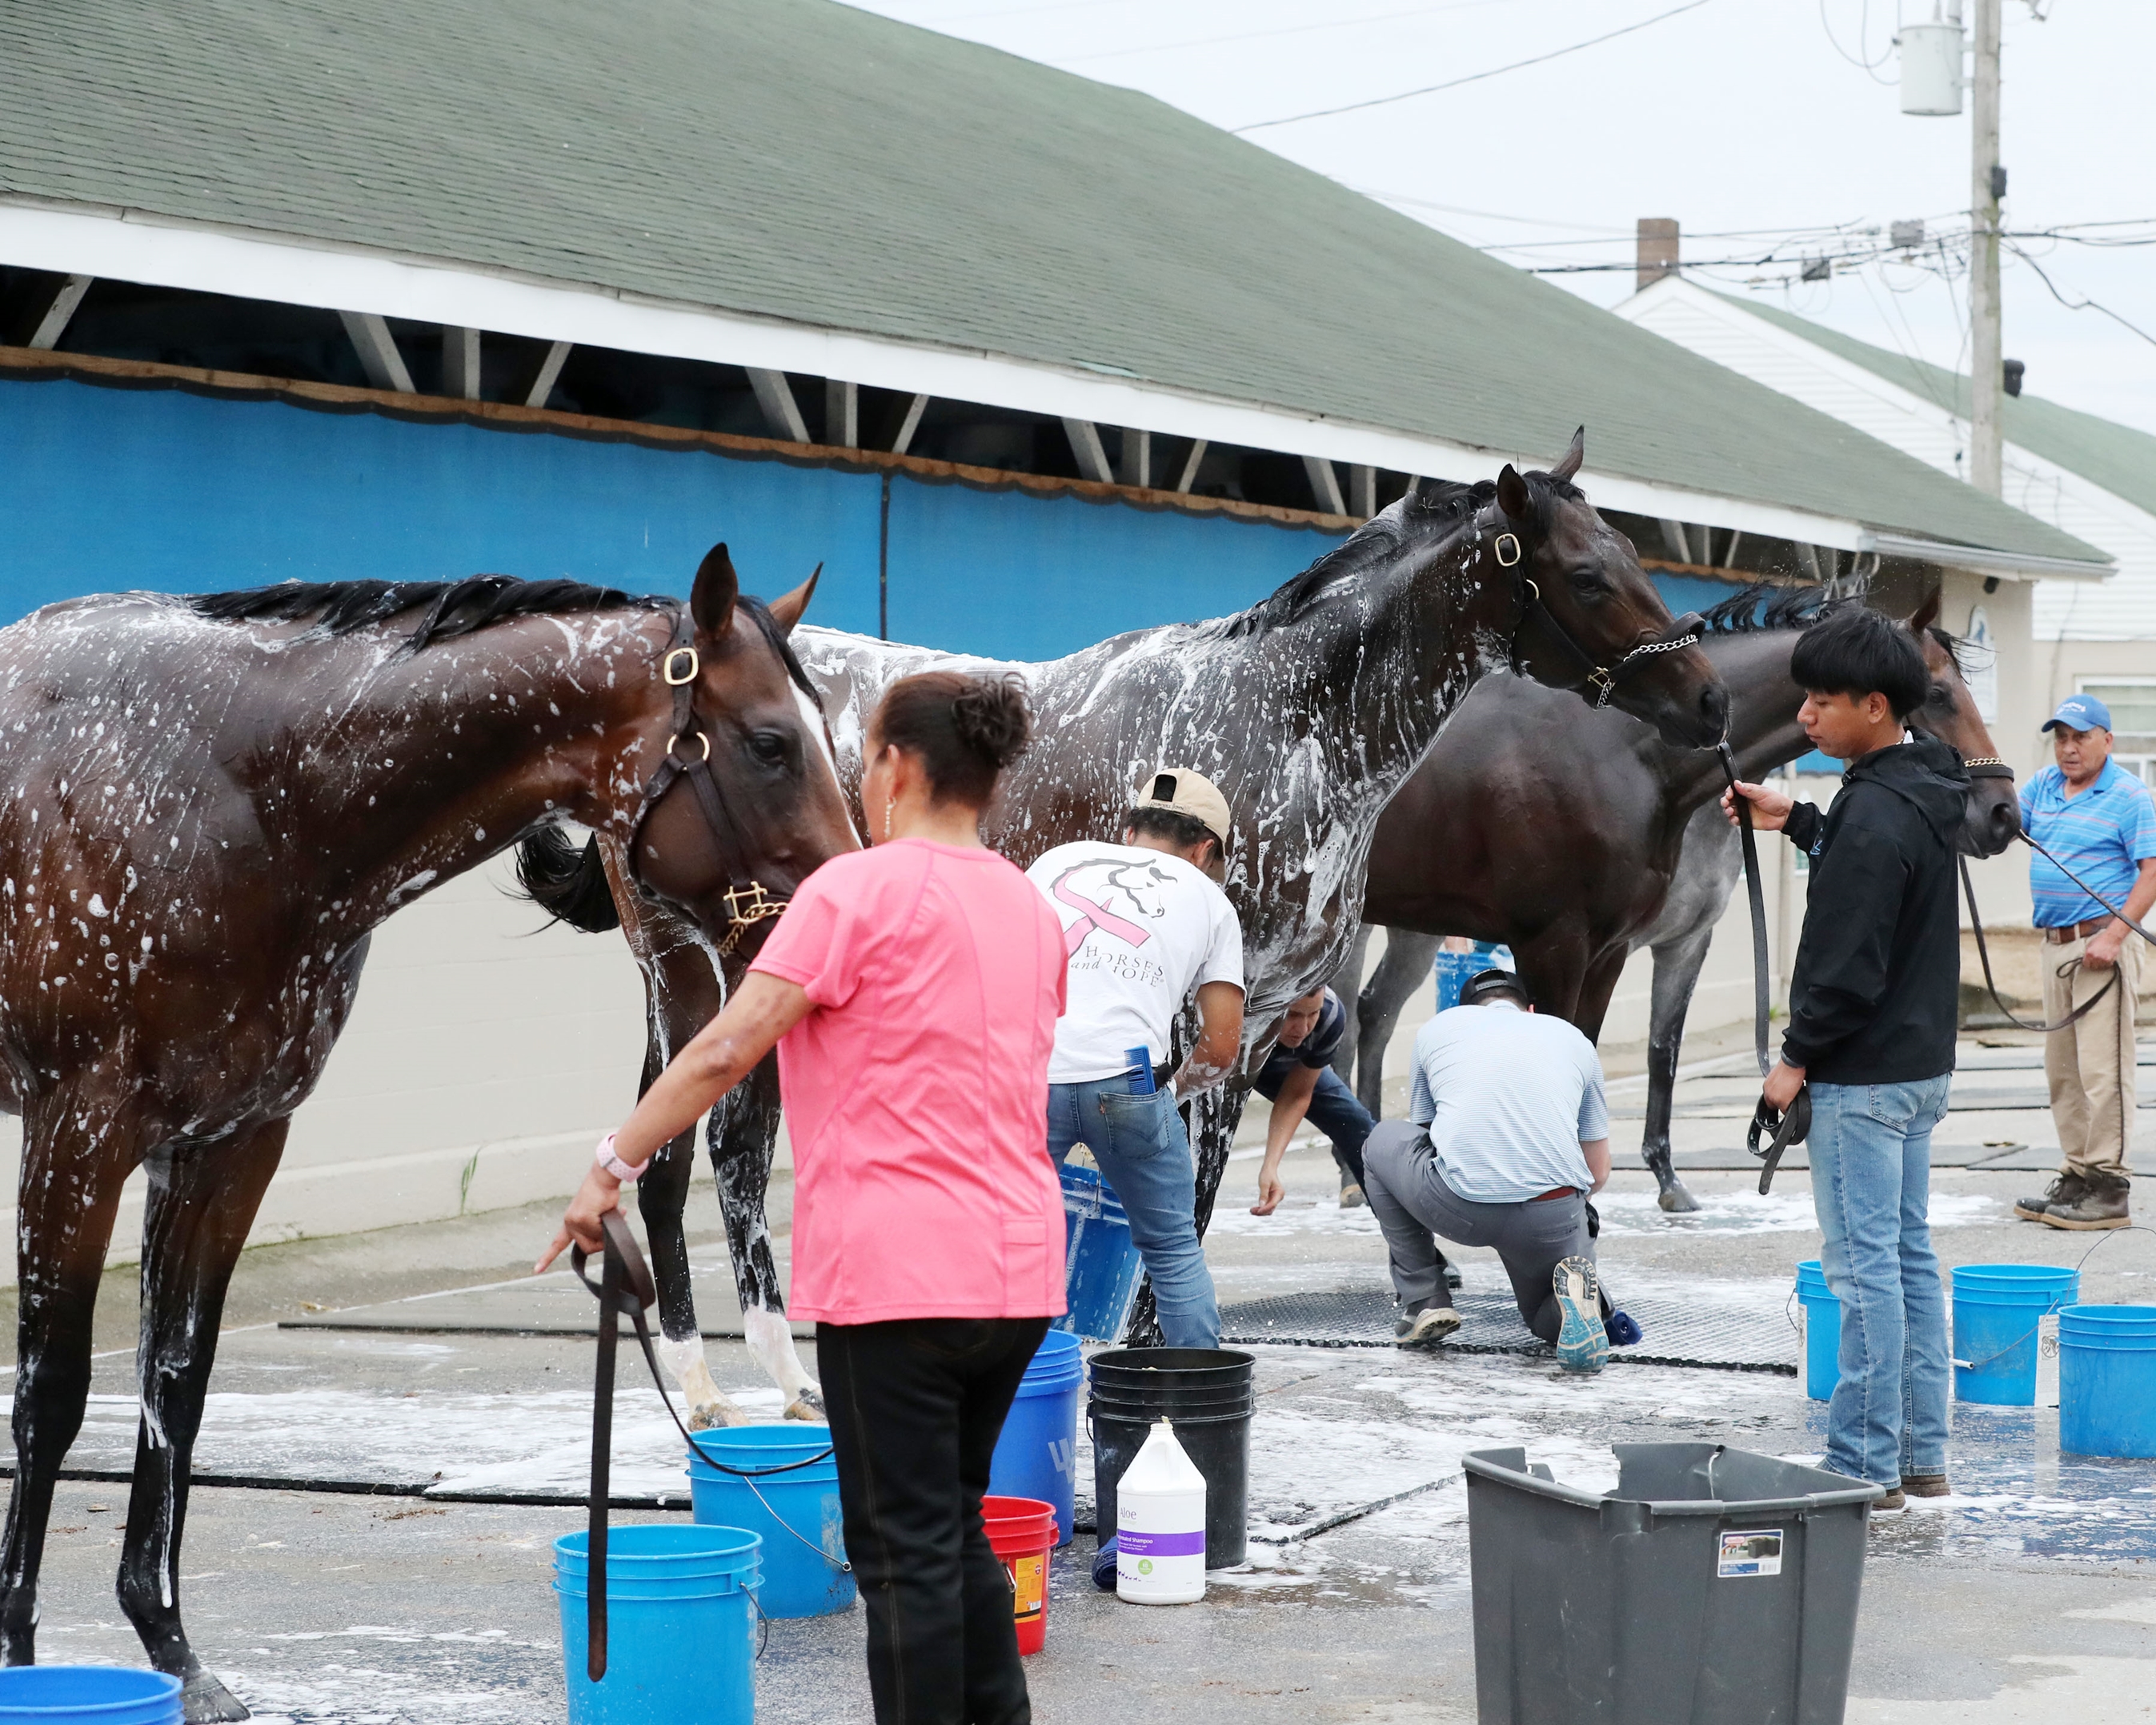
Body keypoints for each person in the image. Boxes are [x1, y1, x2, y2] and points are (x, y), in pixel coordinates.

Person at [539, 671, 1064, 1725]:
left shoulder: (853, 891)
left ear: (895, 767)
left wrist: (612, 1164)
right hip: (1016, 1280)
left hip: (899, 1279)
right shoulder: (1029, 902)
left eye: (863, 759)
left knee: (898, 1549)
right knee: (947, 1526)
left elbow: (726, 1045)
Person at [1724, 604, 1970, 1511]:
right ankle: (1919, 1454)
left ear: (1875, 705)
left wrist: (1792, 1060)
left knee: (1863, 1270)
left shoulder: (1873, 816)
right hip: (1917, 1068)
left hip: (1862, 1078)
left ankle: (1864, 1463)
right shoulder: (1920, 788)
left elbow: (1844, 966)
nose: (1807, 718)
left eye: (1824, 701)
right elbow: (1878, 863)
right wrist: (1795, 821)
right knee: (1905, 1259)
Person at [1028, 768, 1244, 1350]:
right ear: (1204, 850)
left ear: (1127, 833)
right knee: (1172, 1249)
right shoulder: (1210, 900)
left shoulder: (1057, 860)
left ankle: (989, 1402)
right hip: (1126, 1078)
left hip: (1031, 1074)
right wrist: (1164, 1096)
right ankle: (1199, 1410)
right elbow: (1222, 1048)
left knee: (1003, 1243)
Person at [1361, 968, 1616, 1374]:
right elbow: (1598, 1171)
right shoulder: (1573, 1039)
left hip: (1460, 1205)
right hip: (1552, 1212)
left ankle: (1425, 1299)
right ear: (1530, 1011)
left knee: (1379, 1143)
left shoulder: (1438, 1029)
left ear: (1463, 1012)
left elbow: (1427, 1138)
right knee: (1540, 1318)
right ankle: (1582, 1302)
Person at [2013, 694, 2156, 1231]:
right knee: (2064, 1072)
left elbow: (2152, 871)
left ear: (2107, 740)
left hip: (2101, 946)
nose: (2069, 748)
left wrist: (2116, 936)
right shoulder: (2044, 786)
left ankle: (2109, 1185)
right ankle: (2076, 1173)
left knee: (2104, 1072)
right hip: (2055, 943)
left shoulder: (2128, 795)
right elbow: (2002, 820)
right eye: (2061, 738)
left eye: (2080, 736)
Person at [1251, 985, 1377, 1212]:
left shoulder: (1330, 1014)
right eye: (1293, 1015)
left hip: (1280, 1063)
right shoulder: (1245, 1010)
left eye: (1312, 1014)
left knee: (1356, 1123)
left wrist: (1270, 1166)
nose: (1303, 1028)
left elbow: (1297, 1095)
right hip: (1228, 1052)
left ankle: (1409, 1240)